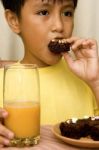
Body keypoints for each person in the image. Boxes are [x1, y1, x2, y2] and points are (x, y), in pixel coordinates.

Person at [0, 0, 99, 147]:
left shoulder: (88, 78)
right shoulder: (3, 80)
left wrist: (95, 82)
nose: (59, 26)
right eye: (44, 12)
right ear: (14, 20)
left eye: (67, 13)